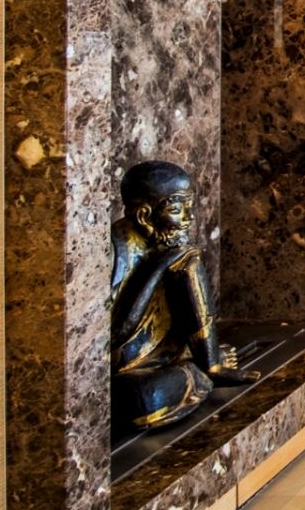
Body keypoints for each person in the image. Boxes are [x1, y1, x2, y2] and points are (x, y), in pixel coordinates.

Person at [110, 160, 260, 433]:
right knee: (142, 398)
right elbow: (114, 335)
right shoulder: (119, 248)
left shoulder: (175, 249)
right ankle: (199, 371)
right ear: (144, 217)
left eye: (189, 208)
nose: (188, 218)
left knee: (188, 264)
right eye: (177, 210)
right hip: (130, 370)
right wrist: (159, 266)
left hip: (168, 356)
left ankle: (208, 365)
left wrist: (208, 358)